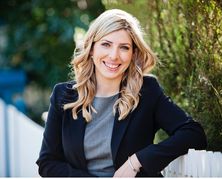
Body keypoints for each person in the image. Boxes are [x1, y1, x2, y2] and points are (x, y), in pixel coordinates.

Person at [36, 9, 207, 177]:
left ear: (133, 54)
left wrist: (138, 160)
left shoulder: (147, 91)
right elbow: (47, 163)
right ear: (92, 47)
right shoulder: (64, 95)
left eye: (124, 47)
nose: (114, 56)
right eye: (106, 44)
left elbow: (194, 134)